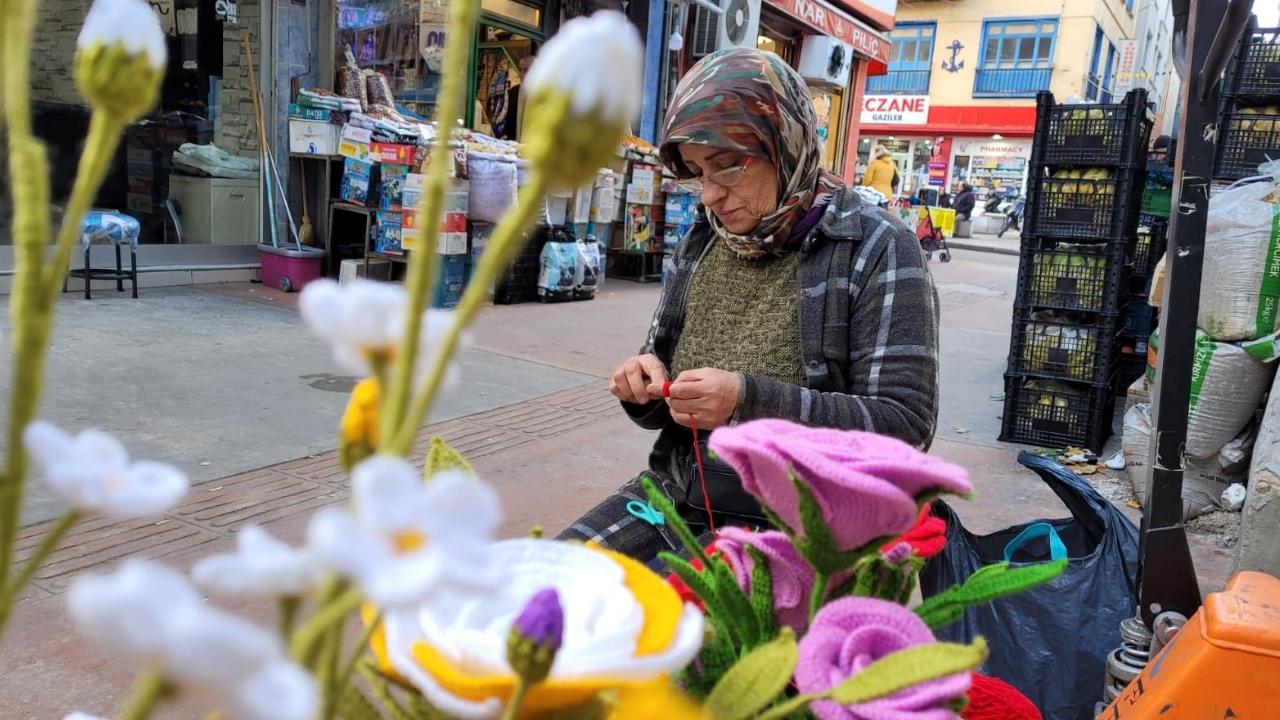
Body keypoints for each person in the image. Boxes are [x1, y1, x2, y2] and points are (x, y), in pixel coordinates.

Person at [557, 49, 940, 564]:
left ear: (784, 142)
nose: (711, 194)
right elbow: (663, 379)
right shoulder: (705, 239)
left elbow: (906, 426)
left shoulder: (876, 245)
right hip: (682, 496)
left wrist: (746, 401)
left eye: (727, 166)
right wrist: (645, 385)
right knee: (542, 590)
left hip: (806, 529)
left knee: (679, 641)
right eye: (696, 172)